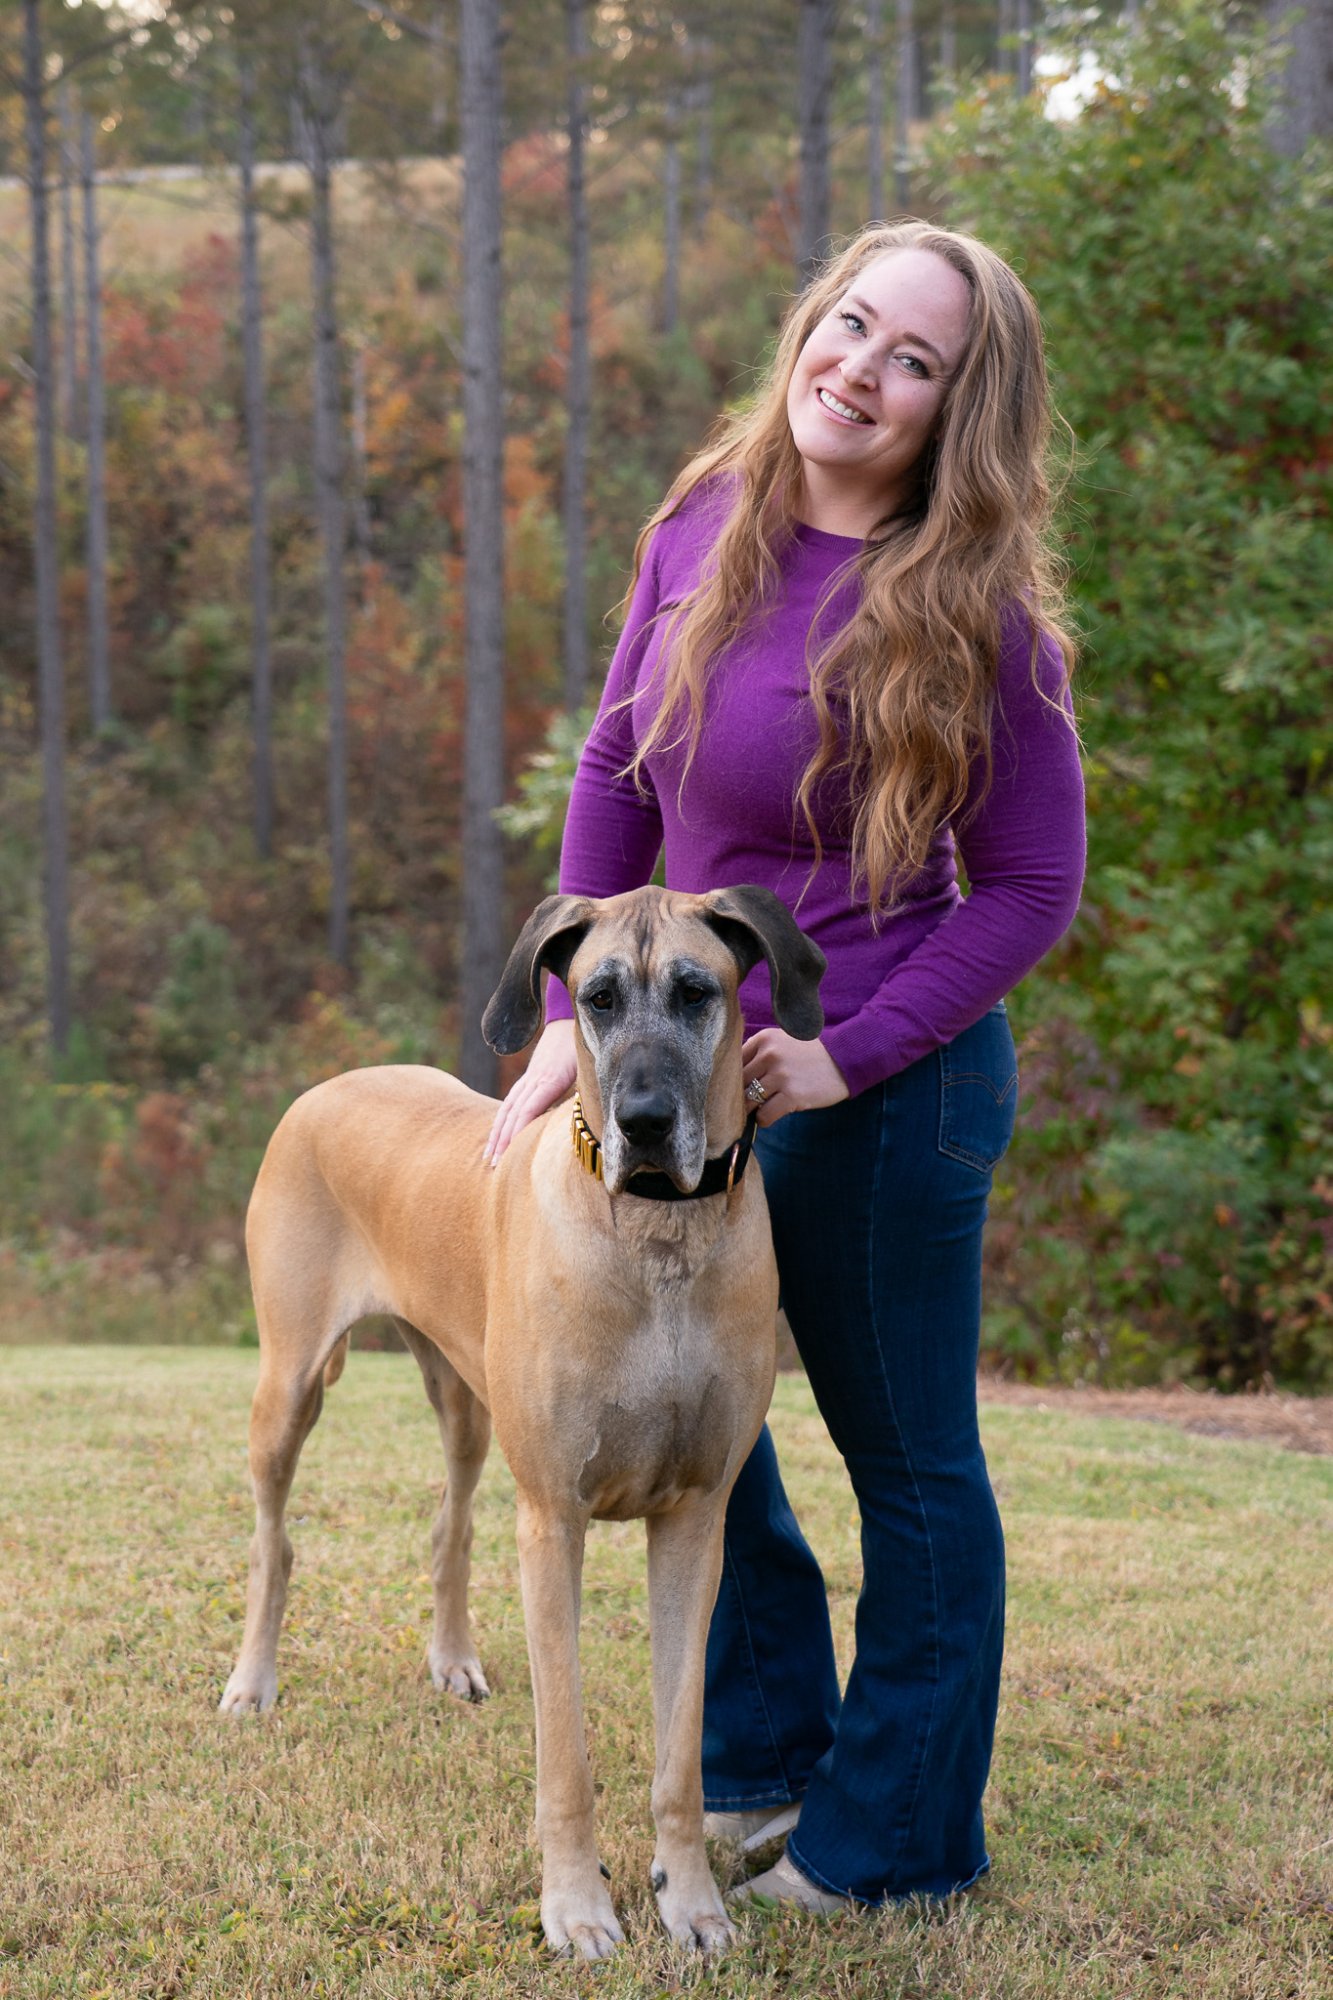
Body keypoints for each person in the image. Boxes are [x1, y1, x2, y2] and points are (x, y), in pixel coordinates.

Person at [483, 220, 1086, 1909]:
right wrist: (558, 1037)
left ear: (958, 413)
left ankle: (891, 1843)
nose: (860, 369)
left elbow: (1034, 887)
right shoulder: (704, 518)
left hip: (888, 1088)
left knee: (907, 1466)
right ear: (806, 328)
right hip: (673, 1070)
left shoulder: (978, 616)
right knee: (705, 1441)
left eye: (915, 360)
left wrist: (848, 1052)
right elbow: (614, 757)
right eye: (850, 324)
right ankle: (756, 1760)